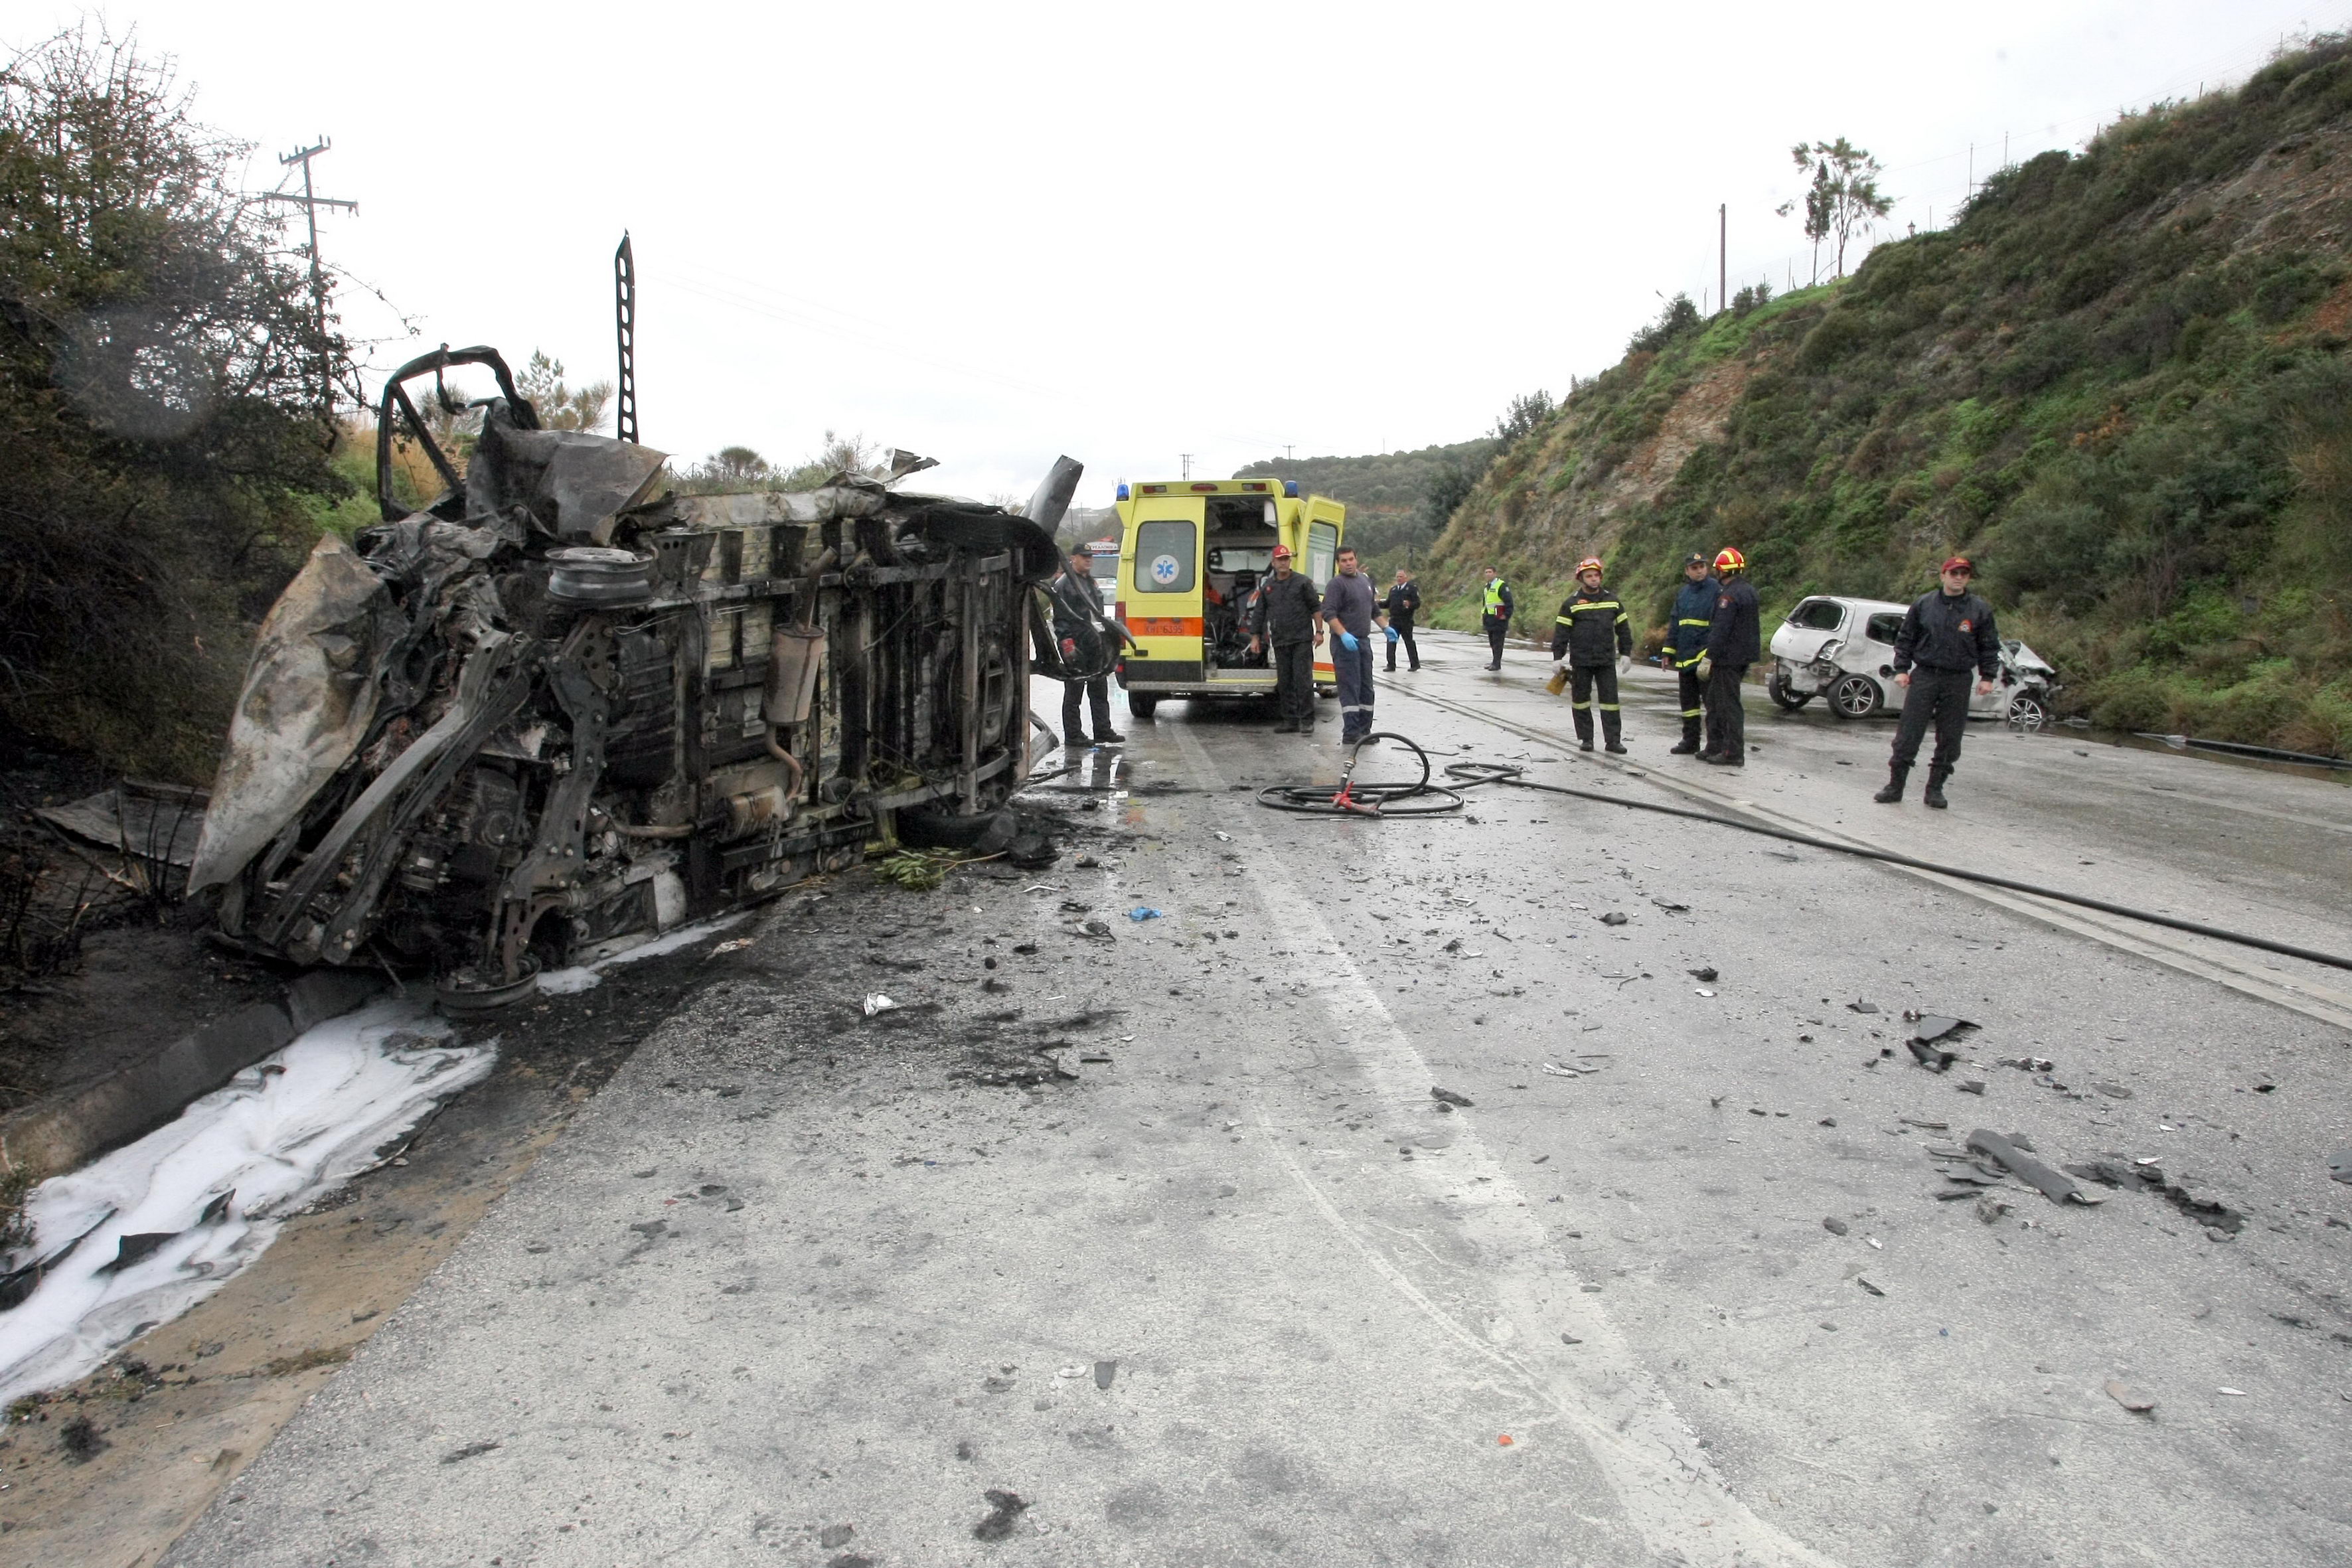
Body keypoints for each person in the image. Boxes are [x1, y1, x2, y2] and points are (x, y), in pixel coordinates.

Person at [1875, 556, 2001, 809]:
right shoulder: (1924, 604)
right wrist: (1901, 668)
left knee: (1951, 737)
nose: (1958, 578)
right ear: (1943, 575)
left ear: (1968, 578)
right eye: (1954, 573)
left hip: (1958, 678)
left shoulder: (1979, 609)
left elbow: (1989, 646)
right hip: (1925, 675)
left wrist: (1988, 677)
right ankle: (1895, 786)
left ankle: (1935, 789)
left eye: (1963, 574)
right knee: (1909, 734)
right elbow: (1906, 638)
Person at [1549, 556, 1633, 753]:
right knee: (1581, 701)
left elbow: (1624, 629)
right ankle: (1586, 739)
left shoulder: (1612, 601)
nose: (1594, 579)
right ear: (1581, 578)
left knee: (1610, 702)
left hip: (1605, 660)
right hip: (1581, 660)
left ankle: (1613, 741)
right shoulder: (1571, 603)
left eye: (1597, 575)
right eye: (1589, 576)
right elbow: (1561, 631)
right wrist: (1557, 657)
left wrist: (1626, 653)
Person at [1050, 547, 1124, 747]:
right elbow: (1060, 617)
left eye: (1090, 557)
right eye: (1084, 557)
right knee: (1074, 691)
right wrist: (1067, 644)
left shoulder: (1090, 582)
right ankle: (1073, 735)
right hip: (1077, 643)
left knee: (1099, 689)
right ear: (1073, 558)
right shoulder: (1065, 584)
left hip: (1094, 642)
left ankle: (1102, 730)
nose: (1089, 560)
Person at [1249, 544, 1324, 734]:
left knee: (1303, 681)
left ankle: (1307, 720)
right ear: (1273, 562)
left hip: (1301, 640)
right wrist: (1255, 638)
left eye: (1286, 559)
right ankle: (1290, 721)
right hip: (1280, 640)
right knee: (1285, 682)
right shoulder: (1268, 587)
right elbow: (1259, 613)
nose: (1283, 562)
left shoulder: (1303, 583)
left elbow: (1316, 608)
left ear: (1290, 561)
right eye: (1280, 559)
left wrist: (1320, 631)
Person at [1698, 546, 1759, 766]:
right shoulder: (1748, 590)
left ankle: (1733, 752)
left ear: (1723, 571)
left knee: (1726, 705)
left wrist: (1709, 657)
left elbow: (1721, 629)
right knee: (1714, 700)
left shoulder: (1729, 596)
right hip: (1741, 657)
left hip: (1727, 658)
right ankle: (1715, 745)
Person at [1320, 545, 1385, 745]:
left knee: (1367, 687)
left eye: (1351, 559)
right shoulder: (1336, 585)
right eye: (1344, 561)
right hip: (1345, 644)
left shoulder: (1365, 581)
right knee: (1351, 687)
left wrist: (1386, 628)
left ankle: (1365, 731)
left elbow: (1373, 609)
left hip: (1363, 642)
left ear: (1356, 559)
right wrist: (1344, 635)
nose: (1348, 563)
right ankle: (1351, 733)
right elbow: (1328, 613)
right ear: (1338, 564)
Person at [1664, 552, 1717, 755]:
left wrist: (1712, 654)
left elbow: (1719, 625)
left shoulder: (1716, 590)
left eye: (1702, 566)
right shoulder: (1683, 594)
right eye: (1694, 568)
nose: (1699, 571)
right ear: (1687, 571)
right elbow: (1675, 622)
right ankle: (1690, 741)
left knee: (1712, 704)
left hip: (1704, 656)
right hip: (1685, 656)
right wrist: (1669, 650)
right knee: (1688, 704)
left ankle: (1714, 744)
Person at [1383, 568, 1422, 672]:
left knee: (1409, 642)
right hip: (1394, 620)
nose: (1399, 579)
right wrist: (1376, 604)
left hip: (1406, 620)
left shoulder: (1412, 589)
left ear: (1406, 578)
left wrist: (1410, 604)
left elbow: (1417, 603)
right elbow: (1388, 603)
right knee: (1391, 642)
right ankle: (1391, 665)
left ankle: (1415, 664)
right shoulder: (1394, 590)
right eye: (1397, 577)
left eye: (1401, 577)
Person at [1480, 568, 1514, 669]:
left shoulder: (1501, 586)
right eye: (1486, 572)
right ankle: (1494, 662)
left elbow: (1509, 602)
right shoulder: (1487, 587)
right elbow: (1486, 603)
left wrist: (1506, 615)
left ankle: (1496, 664)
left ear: (1495, 573)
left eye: (1490, 572)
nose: (1488, 574)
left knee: (1498, 642)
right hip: (1489, 618)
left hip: (1499, 618)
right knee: (1492, 642)